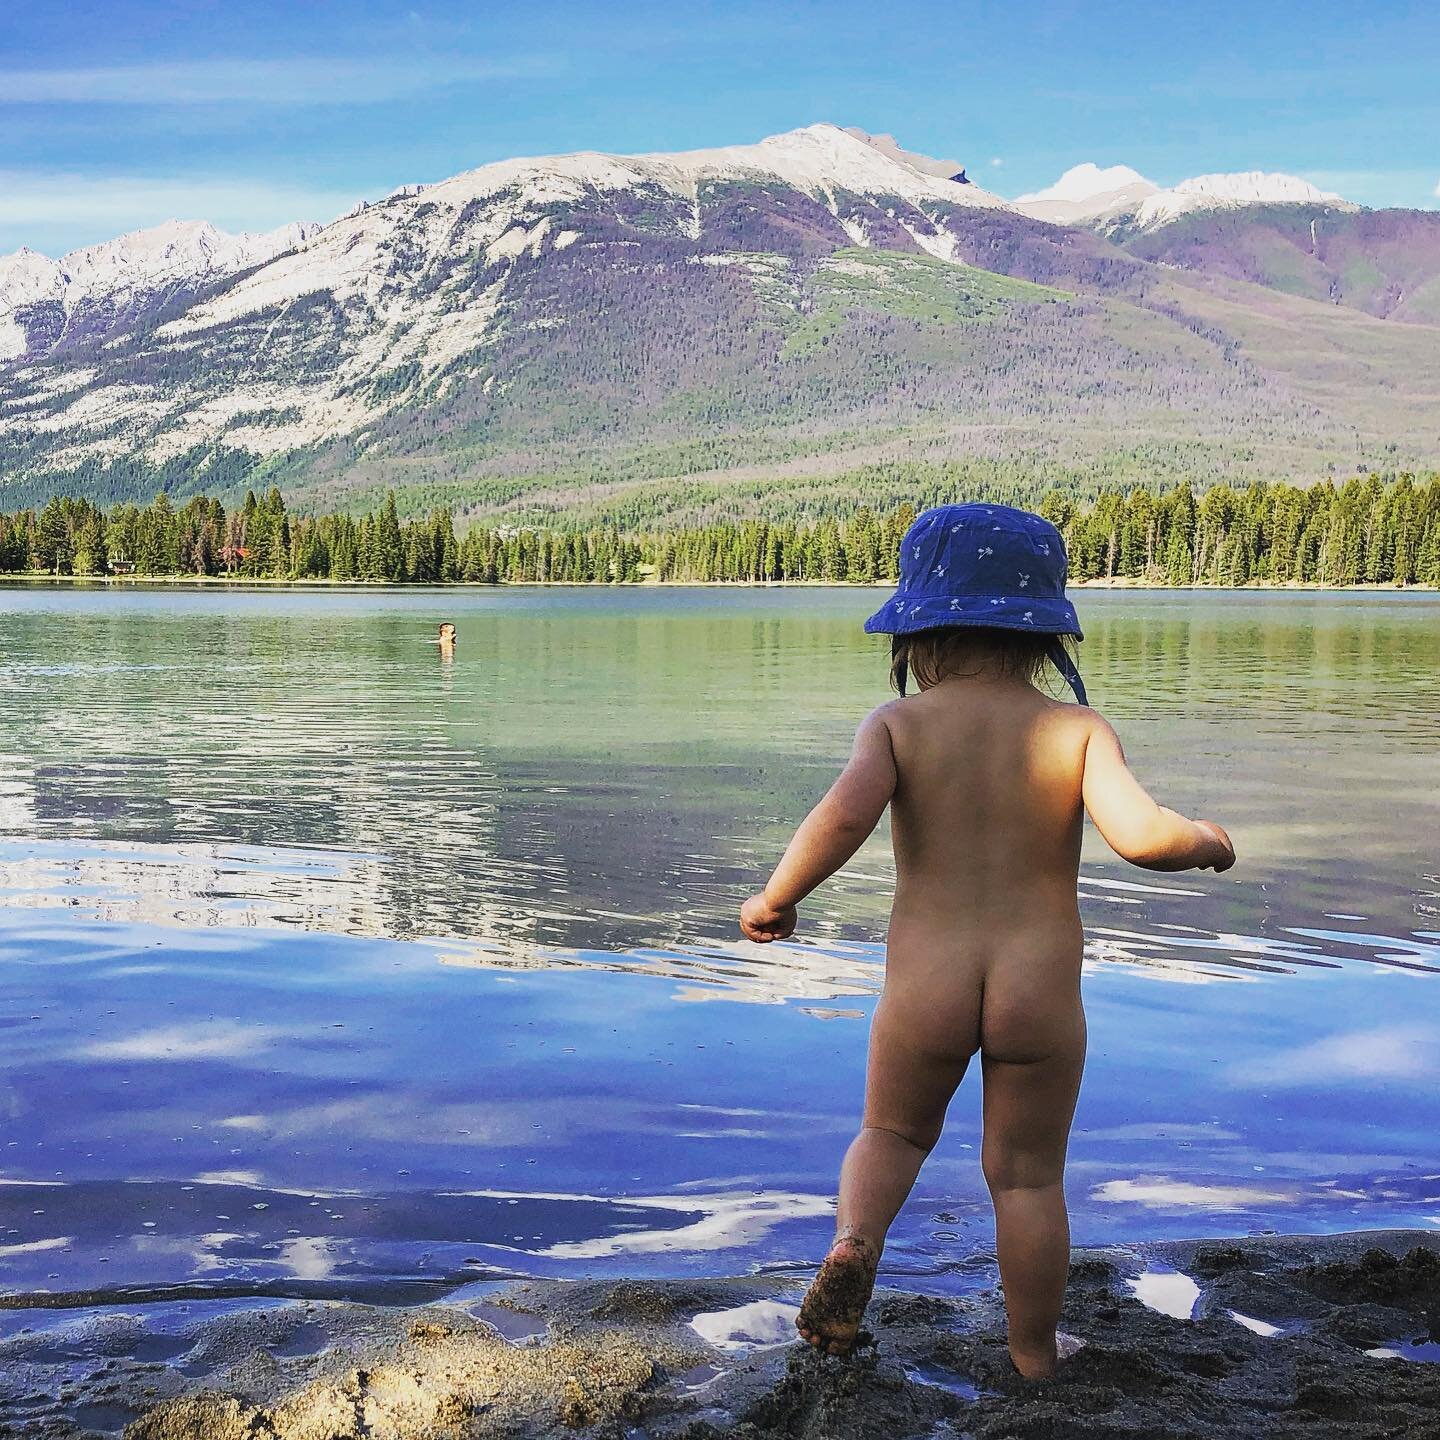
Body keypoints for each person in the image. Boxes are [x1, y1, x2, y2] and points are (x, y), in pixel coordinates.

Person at [739, 504, 1234, 1378]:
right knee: (1028, 1178)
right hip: (1036, 990)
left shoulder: (896, 727)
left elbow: (840, 818)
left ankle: (855, 1245)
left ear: (916, 634)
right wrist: (1207, 840)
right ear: (1046, 639)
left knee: (889, 1135)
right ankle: (1034, 1354)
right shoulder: (1078, 733)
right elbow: (1143, 836)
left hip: (926, 981)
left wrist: (778, 896)